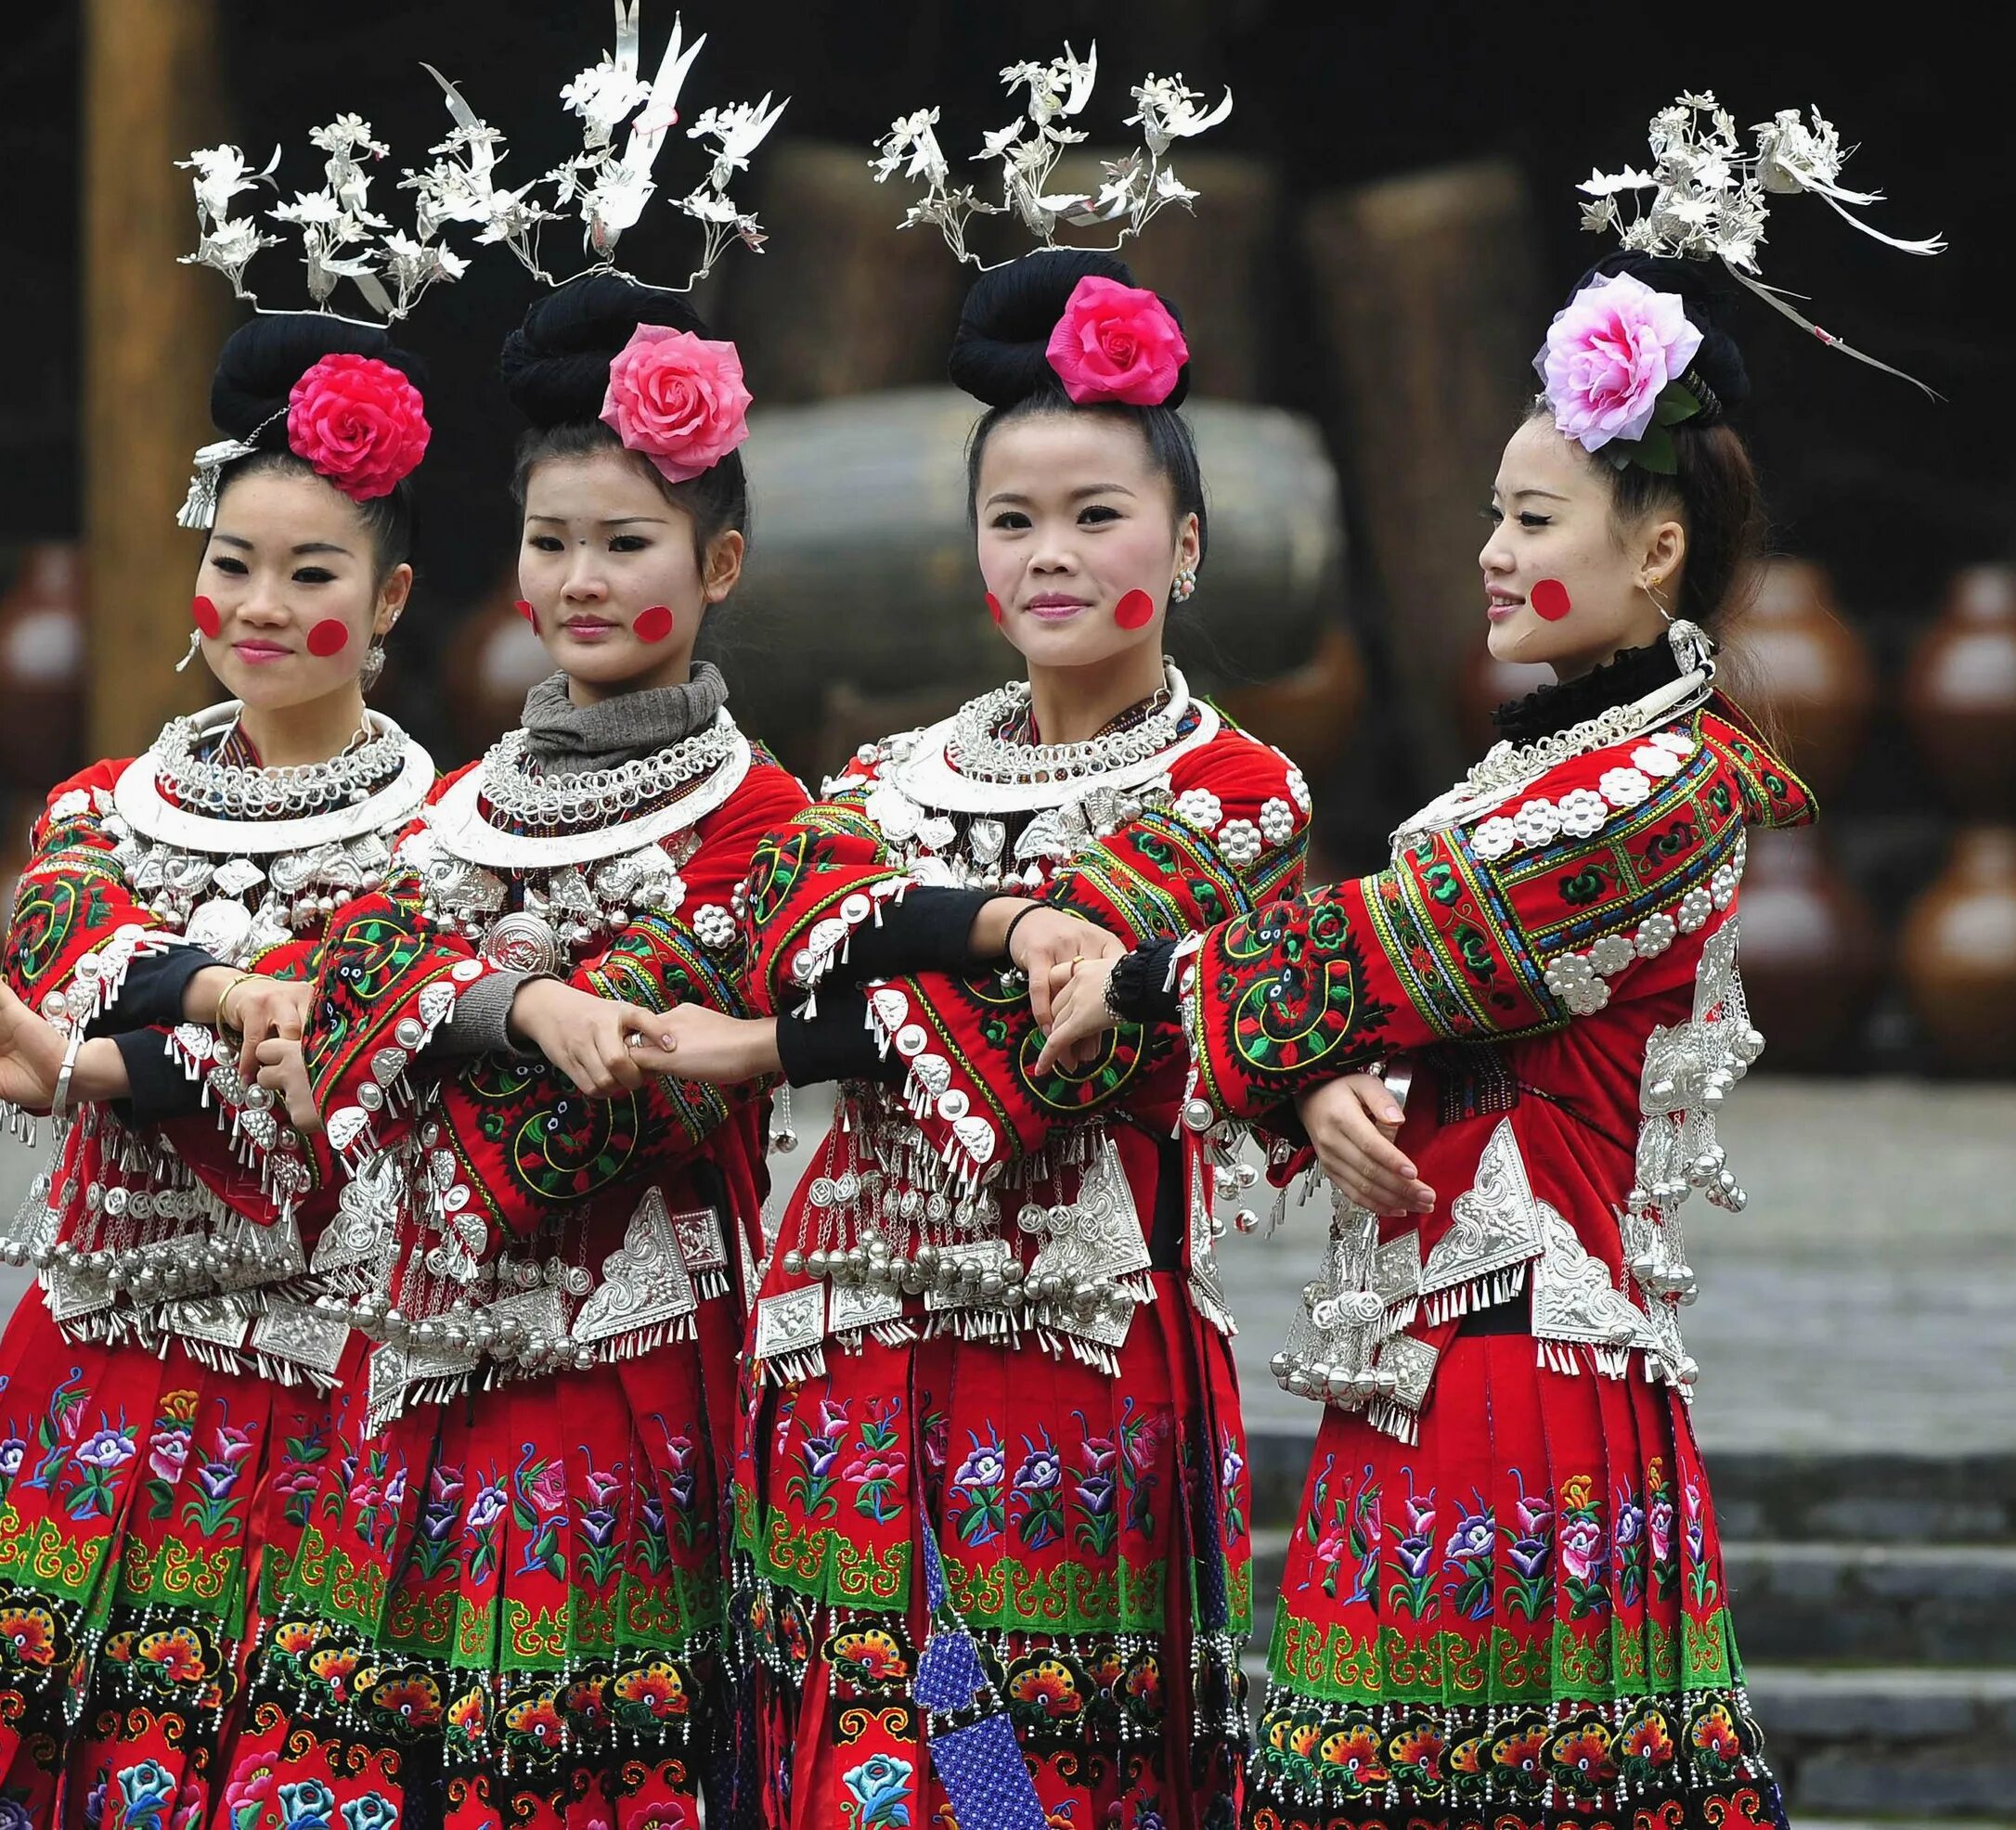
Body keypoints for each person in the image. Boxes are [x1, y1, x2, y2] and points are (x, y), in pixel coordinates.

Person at [1040, 93, 1943, 1830]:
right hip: (1413, 1330)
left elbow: (1412, 944)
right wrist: (1306, 1073)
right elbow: (1401, 985)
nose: (1488, 553)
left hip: (1517, 1353)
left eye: (1533, 520)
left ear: (1655, 550)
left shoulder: (1658, 787)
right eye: (1496, 515)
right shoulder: (1543, 763)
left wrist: (1144, 983)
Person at [640, 239, 1300, 1828]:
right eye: (1014, 520)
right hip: (847, 1336)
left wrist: (784, 1037)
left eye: (1099, 517)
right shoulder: (876, 780)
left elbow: (1044, 1046)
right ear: (972, 556)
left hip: (1071, 1349)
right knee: (860, 1760)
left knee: (1030, 1775)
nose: (1052, 554)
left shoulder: (1233, 790)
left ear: (1188, 547)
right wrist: (986, 931)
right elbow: (799, 928)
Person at [0, 306, 443, 1829]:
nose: (259, 605)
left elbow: (365, 1027)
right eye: (233, 565)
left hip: (322, 1367)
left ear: (392, 597)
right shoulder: (102, 803)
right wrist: (222, 999)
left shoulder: (443, 834)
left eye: (312, 573)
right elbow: (72, 934)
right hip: (96, 1354)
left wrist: (108, 1067)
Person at [225, 270, 807, 1829]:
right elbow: (345, 957)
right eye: (552, 542)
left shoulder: (767, 819)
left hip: (629, 1347)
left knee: (586, 1752)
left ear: (721, 562)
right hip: (414, 1354)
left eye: (628, 544)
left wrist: (419, 1046)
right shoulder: (457, 801)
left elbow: (641, 1059)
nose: (581, 580)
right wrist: (517, 1010)